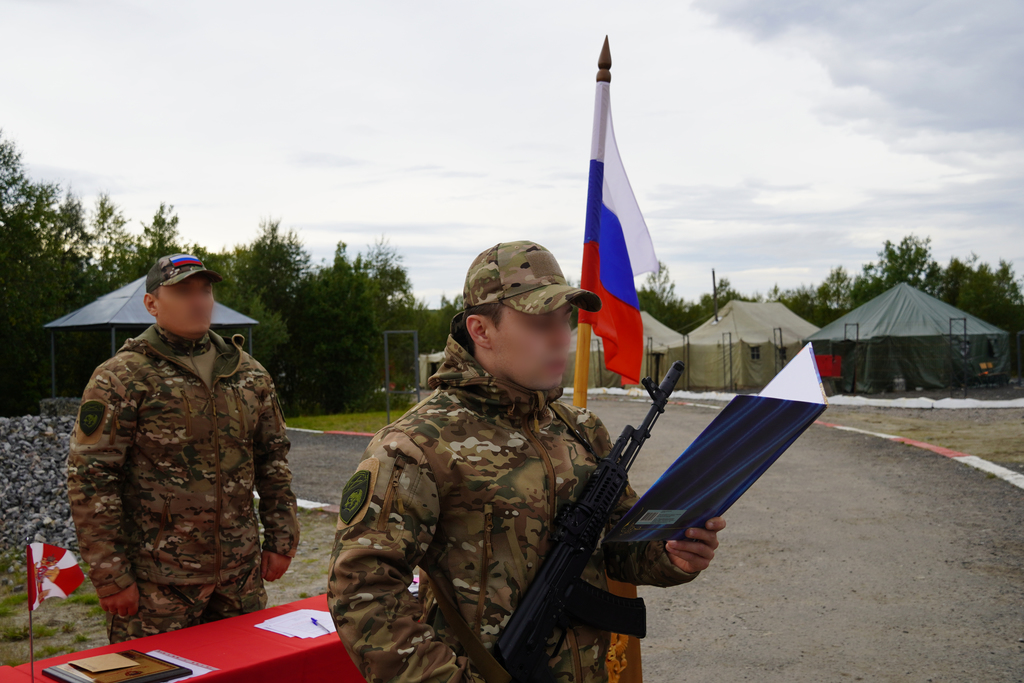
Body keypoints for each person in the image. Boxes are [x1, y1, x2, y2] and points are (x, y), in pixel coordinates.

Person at [327, 241, 726, 682]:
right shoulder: (415, 445)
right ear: (480, 330)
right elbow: (362, 592)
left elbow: (614, 547)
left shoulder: (580, 428)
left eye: (565, 320)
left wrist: (669, 553)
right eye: (540, 322)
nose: (561, 337)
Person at [67, 253, 300, 642]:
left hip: (238, 581)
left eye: (204, 290)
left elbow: (272, 459)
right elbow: (91, 478)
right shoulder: (123, 376)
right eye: (183, 291)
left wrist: (282, 538)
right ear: (152, 303)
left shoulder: (248, 373)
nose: (198, 300)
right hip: (158, 584)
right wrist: (110, 574)